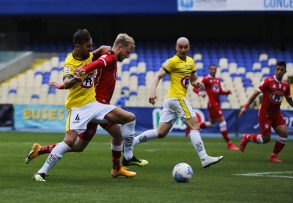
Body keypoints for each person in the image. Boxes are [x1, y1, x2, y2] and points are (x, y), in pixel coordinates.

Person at [26, 33, 147, 168]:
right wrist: (82, 70)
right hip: (97, 107)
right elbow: (97, 63)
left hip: (96, 106)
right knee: (121, 128)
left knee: (78, 146)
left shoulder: (106, 55)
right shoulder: (109, 56)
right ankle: (122, 162)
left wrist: (63, 84)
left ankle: (40, 149)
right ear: (119, 47)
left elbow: (91, 71)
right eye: (127, 52)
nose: (127, 56)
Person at [132, 37, 224, 168]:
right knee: (195, 126)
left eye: (185, 47)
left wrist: (197, 84)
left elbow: (193, 80)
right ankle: (204, 158)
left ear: (189, 47)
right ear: (176, 47)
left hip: (171, 100)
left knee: (161, 132)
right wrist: (152, 92)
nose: (183, 49)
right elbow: (158, 76)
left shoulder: (191, 62)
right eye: (180, 47)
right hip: (177, 98)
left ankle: (131, 142)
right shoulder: (172, 62)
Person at [239, 61, 293, 163]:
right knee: (266, 139)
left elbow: (289, 100)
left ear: (285, 71)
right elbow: (255, 94)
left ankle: (273, 156)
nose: (279, 72)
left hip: (276, 114)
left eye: (281, 70)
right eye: (277, 69)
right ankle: (246, 137)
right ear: (275, 70)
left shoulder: (286, 85)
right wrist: (245, 106)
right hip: (265, 114)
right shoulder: (267, 81)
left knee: (284, 133)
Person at [185, 65, 239, 150]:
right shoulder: (206, 79)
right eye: (211, 69)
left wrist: (226, 92)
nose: (213, 70)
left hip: (217, 104)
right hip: (212, 104)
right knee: (223, 122)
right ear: (209, 70)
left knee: (212, 124)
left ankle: (191, 127)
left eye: (214, 69)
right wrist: (200, 93)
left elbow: (218, 91)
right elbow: (195, 88)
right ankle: (229, 144)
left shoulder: (217, 80)